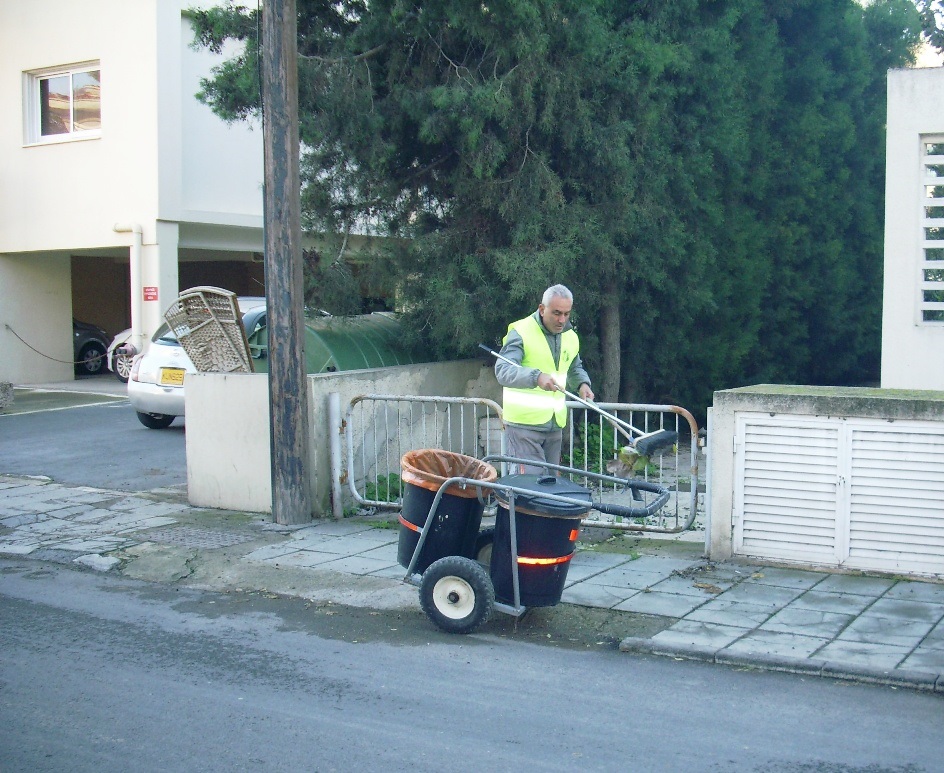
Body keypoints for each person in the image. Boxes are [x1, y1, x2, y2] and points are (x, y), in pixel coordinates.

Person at [495, 284, 594, 474]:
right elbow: (503, 370)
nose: (562, 320)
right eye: (556, 313)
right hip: (523, 428)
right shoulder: (521, 331)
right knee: (530, 492)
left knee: (550, 490)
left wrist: (583, 384)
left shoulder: (571, 336)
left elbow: (574, 367)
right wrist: (536, 377)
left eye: (566, 314)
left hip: (554, 427)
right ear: (542, 309)